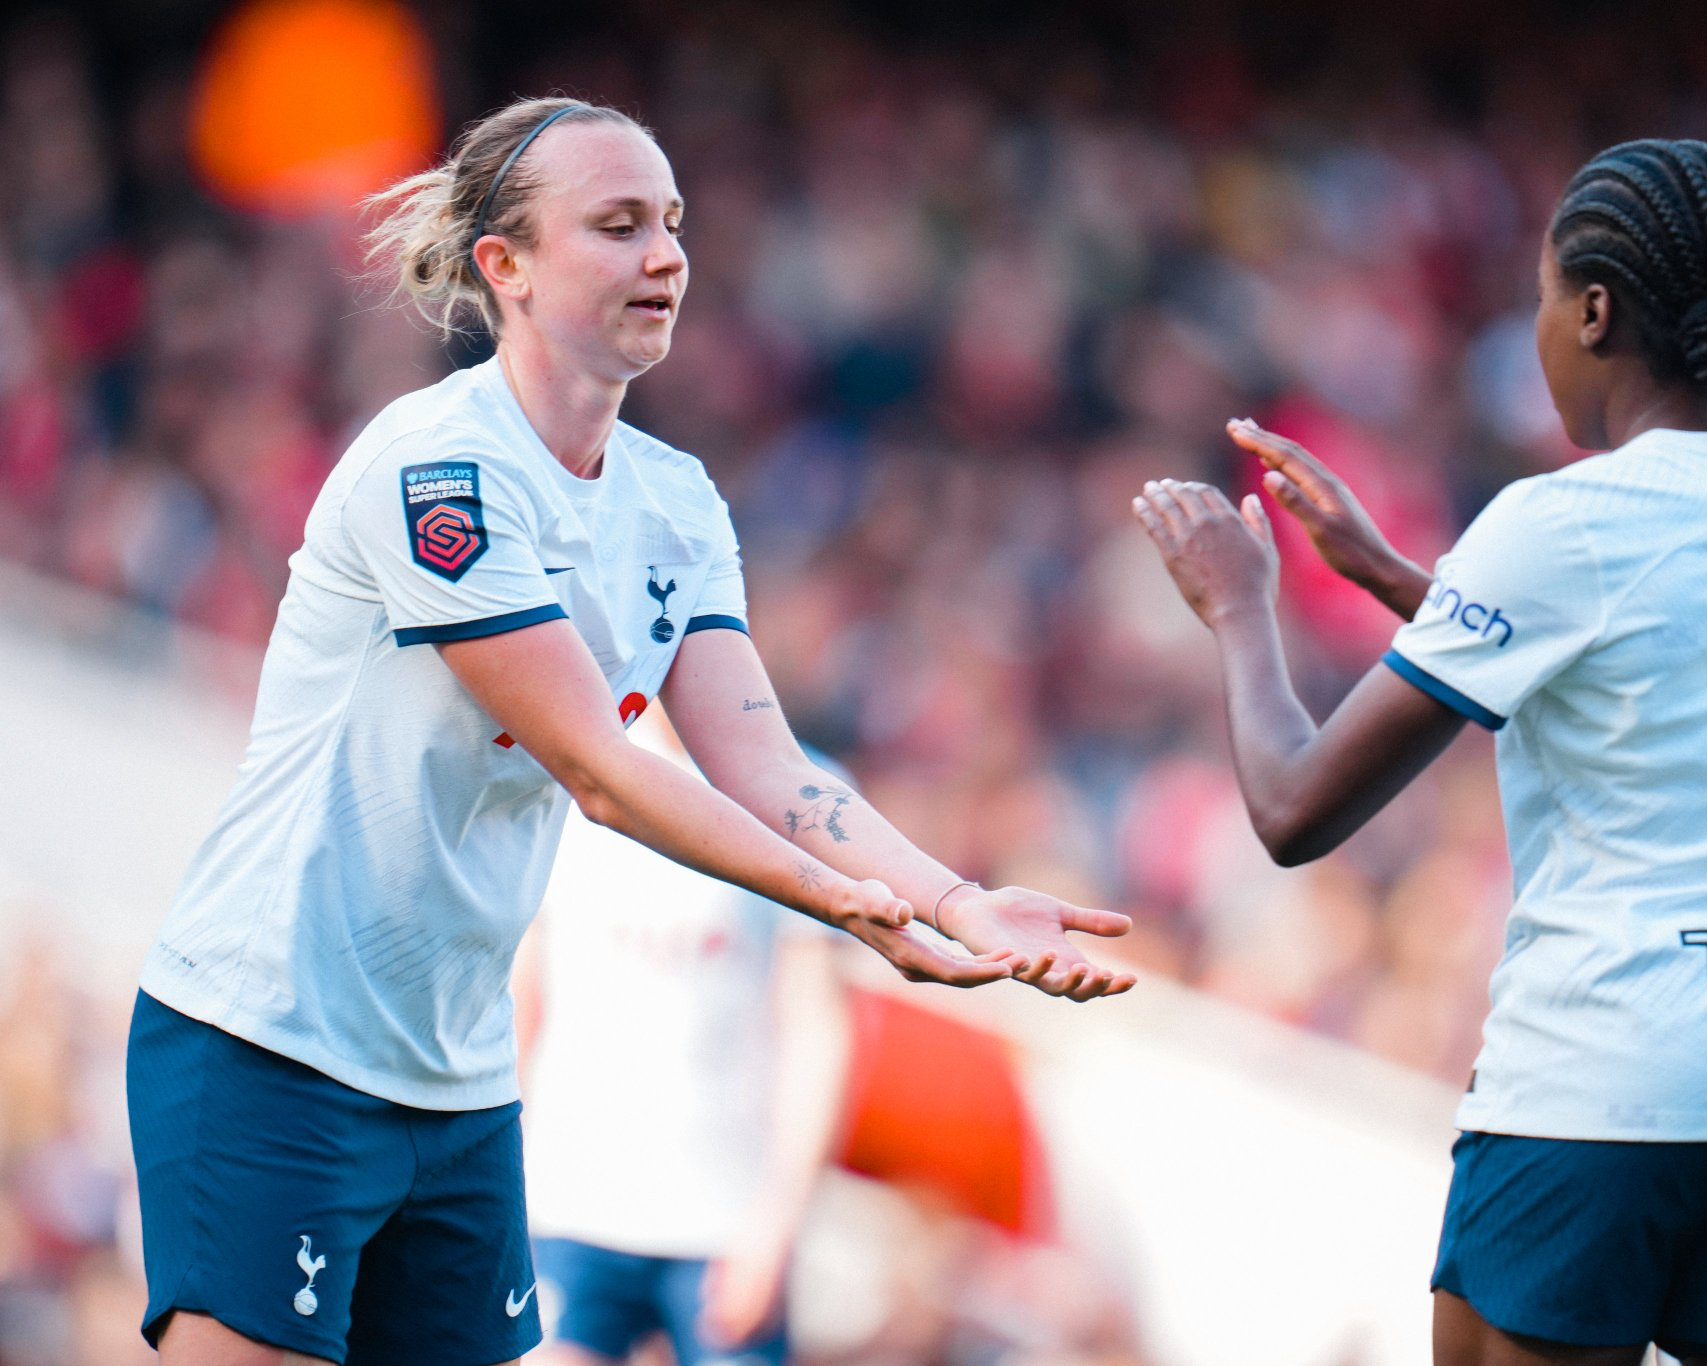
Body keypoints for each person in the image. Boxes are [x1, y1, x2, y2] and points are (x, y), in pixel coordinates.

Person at [126, 95, 1134, 1366]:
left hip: (457, 1080)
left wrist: (950, 896)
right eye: (617, 226)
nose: (666, 256)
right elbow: (600, 770)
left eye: (671, 224)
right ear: (506, 267)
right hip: (267, 1041)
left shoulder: (675, 501)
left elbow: (762, 759)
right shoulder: (437, 468)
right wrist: (848, 908)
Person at [1135, 138, 1707, 1366]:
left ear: (1595, 309)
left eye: (1546, 299)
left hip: (1608, 1085)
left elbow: (1292, 810)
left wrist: (1242, 608)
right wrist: (1406, 585)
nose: (1543, 328)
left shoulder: (1561, 521)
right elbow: (1651, 659)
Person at [514, 715, 855, 1366]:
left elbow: (815, 1029)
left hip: (722, 1218)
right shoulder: (565, 771)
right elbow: (520, 1000)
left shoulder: (799, 795)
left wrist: (778, 1224)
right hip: (565, 1204)